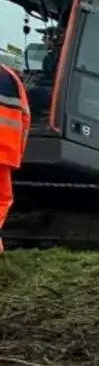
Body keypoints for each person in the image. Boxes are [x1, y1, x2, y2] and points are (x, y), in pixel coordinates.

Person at [0, 63, 31, 255]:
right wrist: (17, 154)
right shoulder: (11, 78)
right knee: (2, 199)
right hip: (5, 152)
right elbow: (25, 120)